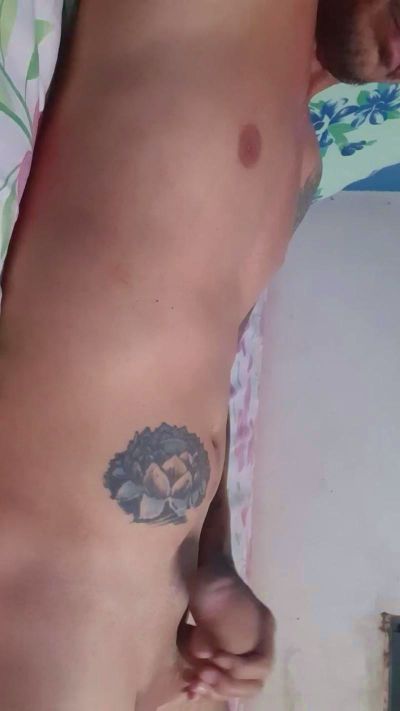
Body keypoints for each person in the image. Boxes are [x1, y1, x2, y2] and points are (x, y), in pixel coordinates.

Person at [0, 0, 399, 708]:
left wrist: (216, 555)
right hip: (44, 604)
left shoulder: (301, 154)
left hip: (155, 643)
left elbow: (200, 361)